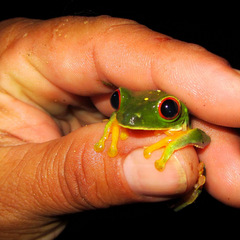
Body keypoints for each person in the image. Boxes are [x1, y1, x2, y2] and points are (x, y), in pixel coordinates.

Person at [0, 16, 240, 239]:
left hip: (177, 159)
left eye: (168, 110)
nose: (131, 117)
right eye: (117, 100)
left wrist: (176, 141)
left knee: (191, 191)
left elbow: (204, 139)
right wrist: (115, 121)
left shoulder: (186, 125)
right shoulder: (124, 113)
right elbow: (125, 115)